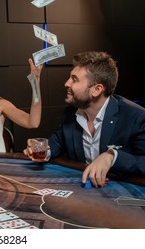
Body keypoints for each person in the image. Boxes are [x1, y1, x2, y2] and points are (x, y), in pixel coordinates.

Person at [23, 51, 145, 187]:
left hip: (124, 195)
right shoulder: (71, 113)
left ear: (97, 90)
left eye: (74, 79)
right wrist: (43, 151)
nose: (66, 83)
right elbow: (58, 142)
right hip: (83, 193)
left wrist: (112, 156)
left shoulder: (135, 117)